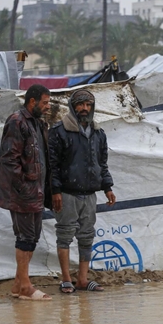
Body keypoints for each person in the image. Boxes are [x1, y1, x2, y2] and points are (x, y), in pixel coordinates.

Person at [48, 89, 116, 293]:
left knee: (87, 236)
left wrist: (107, 187)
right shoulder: (59, 131)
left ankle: (83, 280)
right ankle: (66, 279)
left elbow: (102, 164)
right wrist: (55, 190)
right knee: (65, 234)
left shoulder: (98, 133)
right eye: (80, 104)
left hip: (90, 194)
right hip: (67, 193)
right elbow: (52, 165)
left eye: (88, 105)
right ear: (73, 106)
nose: (85, 108)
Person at [0, 84, 53, 301]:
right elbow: (9, 160)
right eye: (45, 102)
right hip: (23, 193)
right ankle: (25, 287)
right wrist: (24, 188)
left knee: (32, 237)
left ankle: (18, 284)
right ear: (32, 101)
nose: (48, 107)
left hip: (35, 191)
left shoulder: (37, 123)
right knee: (25, 237)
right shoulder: (17, 121)